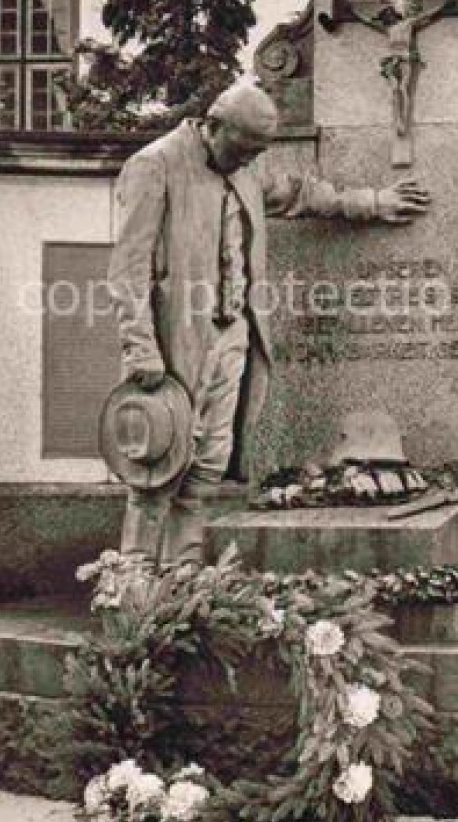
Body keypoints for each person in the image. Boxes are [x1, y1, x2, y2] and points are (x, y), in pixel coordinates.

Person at [107, 80, 430, 565]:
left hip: (232, 336)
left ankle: (182, 580)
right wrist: (141, 350)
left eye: (257, 153)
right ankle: (133, 585)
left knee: (206, 470)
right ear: (213, 126)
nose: (249, 161)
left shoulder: (245, 169)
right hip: (176, 343)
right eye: (243, 150)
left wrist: (373, 202)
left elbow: (302, 195)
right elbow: (127, 272)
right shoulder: (155, 165)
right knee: (156, 469)